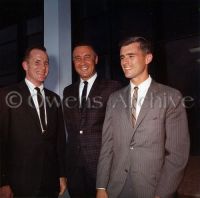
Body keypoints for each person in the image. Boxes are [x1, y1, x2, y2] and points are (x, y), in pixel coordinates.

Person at [96, 36, 190, 198]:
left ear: (148, 58)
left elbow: (177, 154)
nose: (125, 62)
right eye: (122, 57)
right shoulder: (114, 99)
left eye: (131, 56)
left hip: (153, 189)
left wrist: (162, 193)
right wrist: (101, 187)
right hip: (117, 188)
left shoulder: (171, 97)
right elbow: (107, 147)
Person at [0, 45, 67, 198]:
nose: (43, 67)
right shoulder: (7, 95)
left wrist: (62, 175)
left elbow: (59, 142)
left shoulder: (55, 99)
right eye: (37, 62)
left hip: (49, 183)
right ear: (25, 65)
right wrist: (3, 182)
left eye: (46, 63)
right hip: (19, 184)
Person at [62, 42, 121, 198]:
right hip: (74, 166)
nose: (82, 62)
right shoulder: (68, 91)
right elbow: (70, 130)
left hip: (102, 166)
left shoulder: (113, 87)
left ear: (96, 59)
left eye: (87, 57)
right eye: (77, 58)